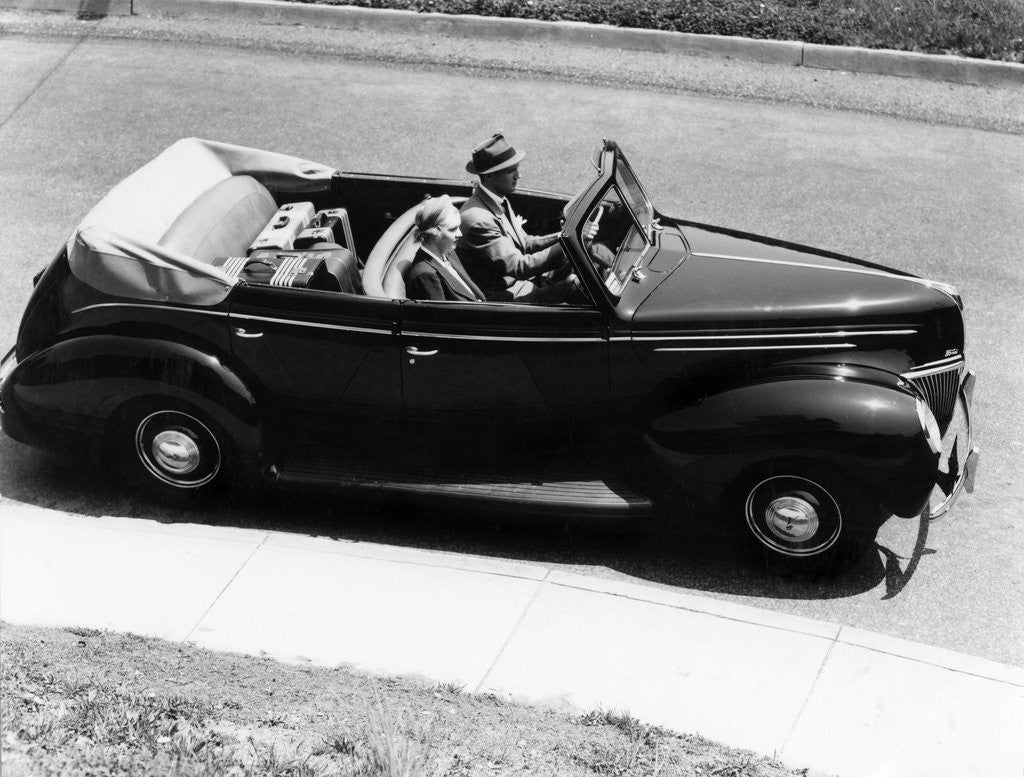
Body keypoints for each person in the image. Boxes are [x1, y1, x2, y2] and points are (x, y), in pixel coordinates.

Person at [456, 133, 583, 304]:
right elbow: (518, 266)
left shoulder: (498, 199)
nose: (518, 175)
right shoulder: (478, 220)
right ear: (488, 176)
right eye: (511, 171)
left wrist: (562, 236)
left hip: (518, 283)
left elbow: (525, 243)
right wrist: (569, 242)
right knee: (576, 285)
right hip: (504, 298)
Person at [405, 195, 486, 302]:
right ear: (434, 232)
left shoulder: (448, 252)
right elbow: (442, 316)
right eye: (453, 229)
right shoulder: (426, 275)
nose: (460, 234)